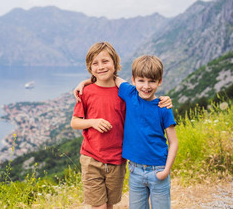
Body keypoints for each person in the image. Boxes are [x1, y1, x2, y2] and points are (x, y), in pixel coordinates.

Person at [71, 42, 172, 209]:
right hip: (91, 158)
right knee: (99, 206)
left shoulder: (125, 93)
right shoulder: (86, 92)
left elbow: (146, 94)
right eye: (95, 63)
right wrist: (92, 122)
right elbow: (74, 122)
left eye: (105, 61)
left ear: (115, 63)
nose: (101, 66)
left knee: (110, 204)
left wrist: (165, 99)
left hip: (117, 160)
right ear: (89, 67)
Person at [115, 55, 178, 209]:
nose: (146, 86)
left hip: (158, 170)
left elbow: (174, 142)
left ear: (159, 81)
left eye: (152, 81)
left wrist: (166, 171)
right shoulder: (129, 94)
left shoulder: (163, 108)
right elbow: (111, 76)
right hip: (135, 170)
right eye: (141, 81)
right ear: (133, 80)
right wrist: (83, 83)